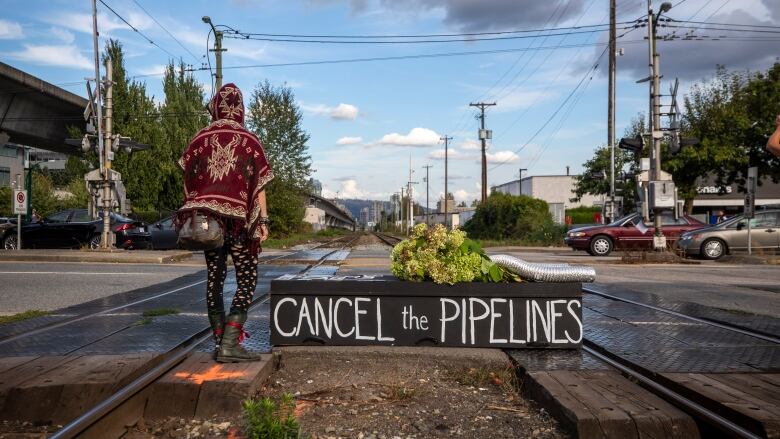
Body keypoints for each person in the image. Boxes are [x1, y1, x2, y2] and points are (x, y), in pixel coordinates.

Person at [178, 83, 273, 363]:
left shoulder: (199, 139)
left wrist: (197, 208)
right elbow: (258, 187)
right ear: (241, 108)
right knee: (247, 279)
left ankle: (220, 342)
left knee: (214, 280)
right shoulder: (250, 141)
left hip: (209, 224)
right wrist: (263, 220)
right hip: (240, 226)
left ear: (217, 105)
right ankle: (231, 342)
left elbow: (188, 182)